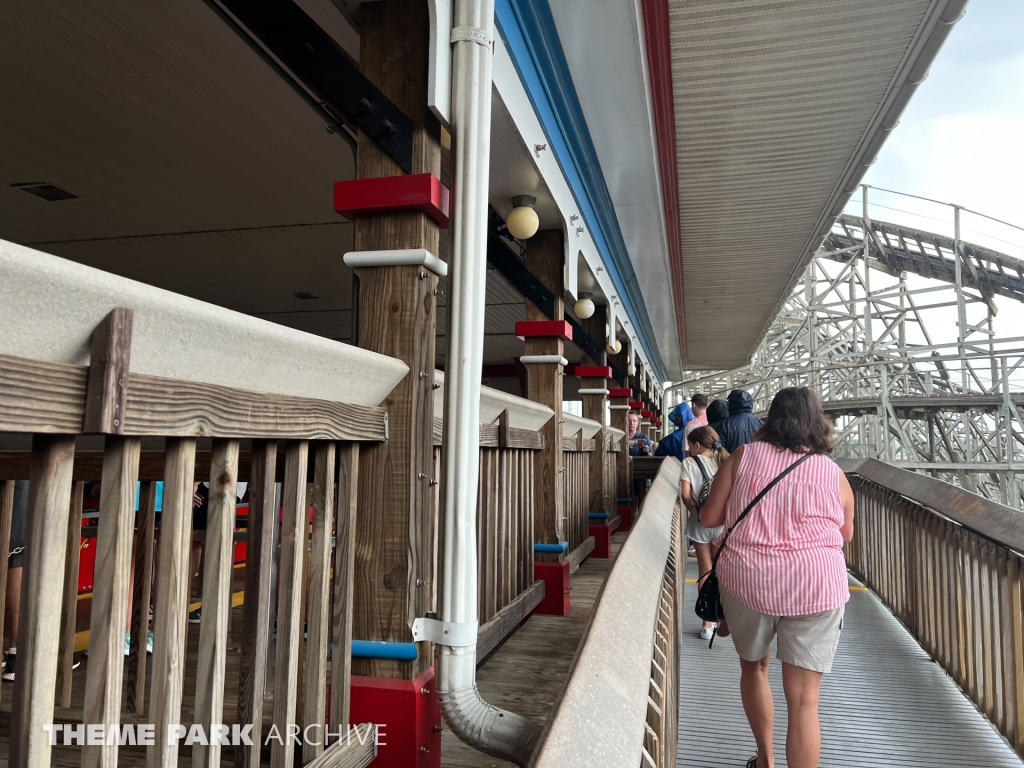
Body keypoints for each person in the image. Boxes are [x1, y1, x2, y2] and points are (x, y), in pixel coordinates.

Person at [700, 387, 855, 768]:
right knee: (804, 701)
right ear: (817, 422)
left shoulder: (743, 457)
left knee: (754, 666)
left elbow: (708, 519)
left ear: (771, 418)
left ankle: (765, 760)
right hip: (817, 586)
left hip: (751, 581)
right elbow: (846, 534)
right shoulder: (833, 473)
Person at [679, 426, 728, 640]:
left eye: (690, 445)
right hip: (720, 522)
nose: (688, 449)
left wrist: (695, 510)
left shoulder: (689, 463)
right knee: (721, 571)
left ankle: (707, 624)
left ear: (697, 445)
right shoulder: (725, 461)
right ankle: (723, 619)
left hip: (700, 524)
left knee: (705, 571)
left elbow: (685, 494)